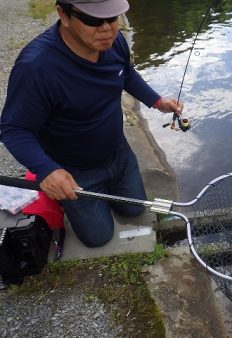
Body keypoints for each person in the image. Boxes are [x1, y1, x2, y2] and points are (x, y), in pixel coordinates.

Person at [0, 0, 183, 247]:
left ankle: (106, 194)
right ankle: (66, 198)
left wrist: (157, 101)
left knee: (134, 211)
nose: (107, 28)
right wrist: (47, 169)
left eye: (113, 17)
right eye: (95, 20)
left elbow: (126, 74)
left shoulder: (113, 42)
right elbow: (14, 129)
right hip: (76, 171)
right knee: (98, 238)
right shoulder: (37, 67)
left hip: (119, 154)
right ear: (63, 15)